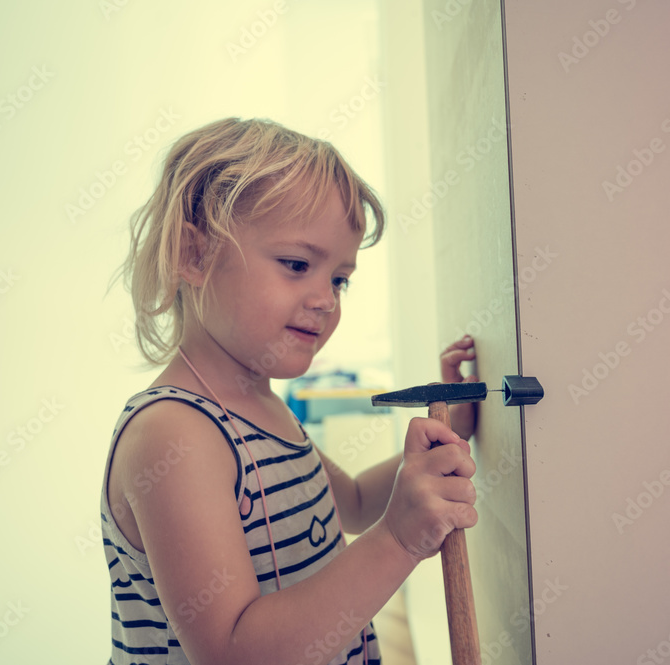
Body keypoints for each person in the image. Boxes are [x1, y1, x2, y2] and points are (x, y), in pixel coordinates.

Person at [101, 117, 479, 665]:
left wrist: (447, 433)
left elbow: (347, 504)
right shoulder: (174, 435)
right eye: (298, 264)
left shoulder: (262, 407)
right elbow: (235, 653)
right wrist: (398, 540)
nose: (326, 299)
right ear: (194, 256)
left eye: (339, 278)